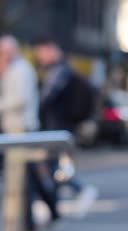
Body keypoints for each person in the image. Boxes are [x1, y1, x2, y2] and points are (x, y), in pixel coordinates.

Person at [0, 35, 60, 231]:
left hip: (22, 131)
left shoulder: (21, 70)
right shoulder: (11, 69)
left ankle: (29, 220)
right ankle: (47, 210)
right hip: (14, 131)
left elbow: (19, 100)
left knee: (24, 177)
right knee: (29, 176)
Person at [33, 36, 97, 217]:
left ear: (51, 49)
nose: (40, 57)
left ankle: (79, 190)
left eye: (41, 52)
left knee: (52, 166)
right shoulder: (59, 70)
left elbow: (45, 99)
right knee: (54, 167)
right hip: (60, 128)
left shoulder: (59, 71)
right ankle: (54, 205)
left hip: (57, 129)